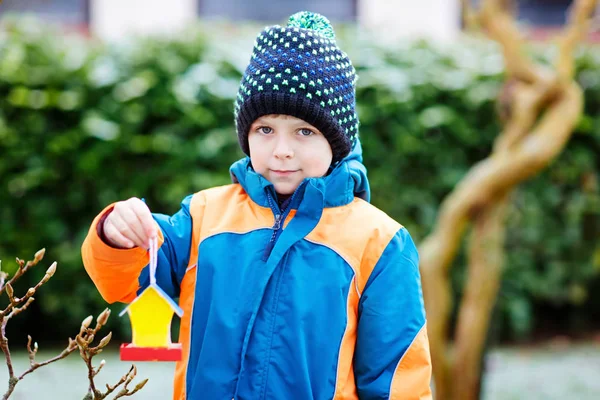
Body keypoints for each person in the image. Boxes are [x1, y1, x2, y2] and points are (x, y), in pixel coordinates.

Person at [82, 11, 432, 400]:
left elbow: (398, 379)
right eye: (265, 129)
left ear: (336, 142)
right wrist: (116, 233)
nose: (281, 151)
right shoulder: (203, 217)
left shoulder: (380, 243)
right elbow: (125, 279)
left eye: (304, 131)